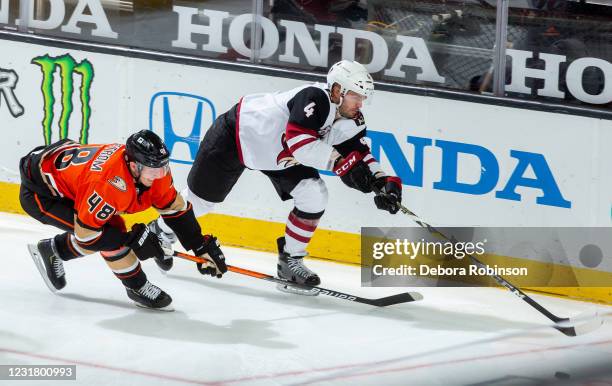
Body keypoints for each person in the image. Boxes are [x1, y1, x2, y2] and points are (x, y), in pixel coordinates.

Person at [150, 60, 403, 295]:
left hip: (279, 157)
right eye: (355, 96)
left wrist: (382, 181)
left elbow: (360, 153)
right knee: (201, 203)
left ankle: (290, 261)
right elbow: (301, 144)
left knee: (314, 193)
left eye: (363, 98)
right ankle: (160, 230)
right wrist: (340, 163)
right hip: (236, 136)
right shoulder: (314, 98)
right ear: (337, 90)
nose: (360, 104)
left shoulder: (352, 120)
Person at [19, 130, 227, 311]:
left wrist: (199, 244)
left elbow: (173, 207)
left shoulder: (154, 169)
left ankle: (53, 249)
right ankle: (137, 287)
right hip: (42, 192)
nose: (161, 174)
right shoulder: (108, 184)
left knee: (111, 233)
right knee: (110, 231)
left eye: (163, 167)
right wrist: (131, 240)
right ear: (134, 166)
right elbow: (88, 236)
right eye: (154, 169)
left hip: (67, 170)